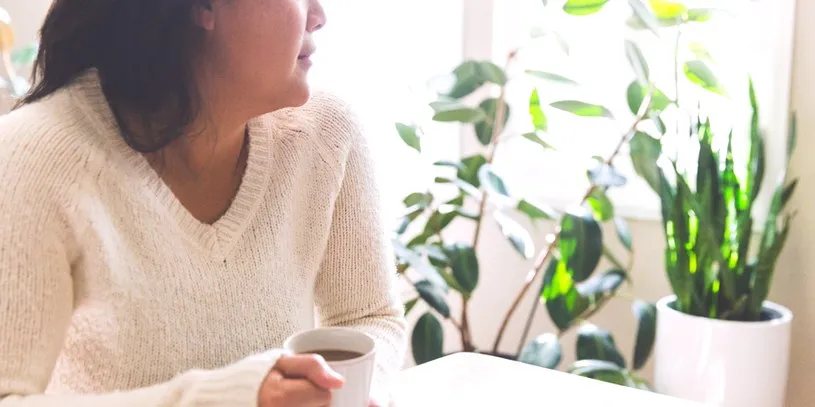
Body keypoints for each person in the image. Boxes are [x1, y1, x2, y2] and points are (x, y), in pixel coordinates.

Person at [0, 0, 407, 406]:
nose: (318, 16)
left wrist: (355, 392)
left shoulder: (325, 134)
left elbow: (368, 317)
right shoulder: (35, 155)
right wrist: (226, 397)